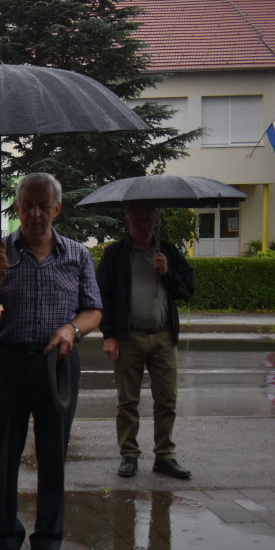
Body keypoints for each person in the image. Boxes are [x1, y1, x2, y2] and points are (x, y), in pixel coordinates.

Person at [0, 172, 102, 550]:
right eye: (27, 205)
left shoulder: (77, 255)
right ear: (16, 208)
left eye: (42, 205)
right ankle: (7, 542)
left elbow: (93, 309)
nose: (35, 213)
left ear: (57, 208)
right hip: (9, 362)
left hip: (57, 364)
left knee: (54, 456)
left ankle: (48, 543)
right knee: (6, 455)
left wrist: (74, 329)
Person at [97, 203, 195, 480]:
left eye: (149, 219)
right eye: (139, 219)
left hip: (163, 336)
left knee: (167, 400)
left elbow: (187, 289)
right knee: (127, 401)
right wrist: (109, 335)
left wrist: (168, 272)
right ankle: (129, 455)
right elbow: (101, 296)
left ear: (155, 221)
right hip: (129, 337)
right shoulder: (116, 254)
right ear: (128, 221)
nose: (144, 224)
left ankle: (165, 456)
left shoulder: (169, 252)